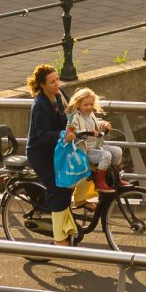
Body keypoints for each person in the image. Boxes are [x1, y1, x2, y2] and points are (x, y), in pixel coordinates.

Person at [24, 63, 76, 246]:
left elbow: (73, 112)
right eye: (52, 82)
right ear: (42, 85)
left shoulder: (60, 95)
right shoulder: (39, 105)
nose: (57, 84)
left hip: (57, 149)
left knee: (73, 179)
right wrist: (63, 135)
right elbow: (43, 134)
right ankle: (58, 238)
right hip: (40, 153)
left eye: (57, 80)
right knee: (57, 187)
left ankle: (71, 219)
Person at [67, 87, 122, 196]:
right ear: (78, 104)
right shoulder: (75, 116)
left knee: (117, 151)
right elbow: (71, 128)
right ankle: (100, 182)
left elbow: (97, 123)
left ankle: (116, 178)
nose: (89, 107)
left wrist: (105, 124)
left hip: (96, 146)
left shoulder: (90, 115)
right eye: (86, 105)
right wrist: (85, 132)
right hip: (85, 150)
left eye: (91, 104)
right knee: (105, 156)